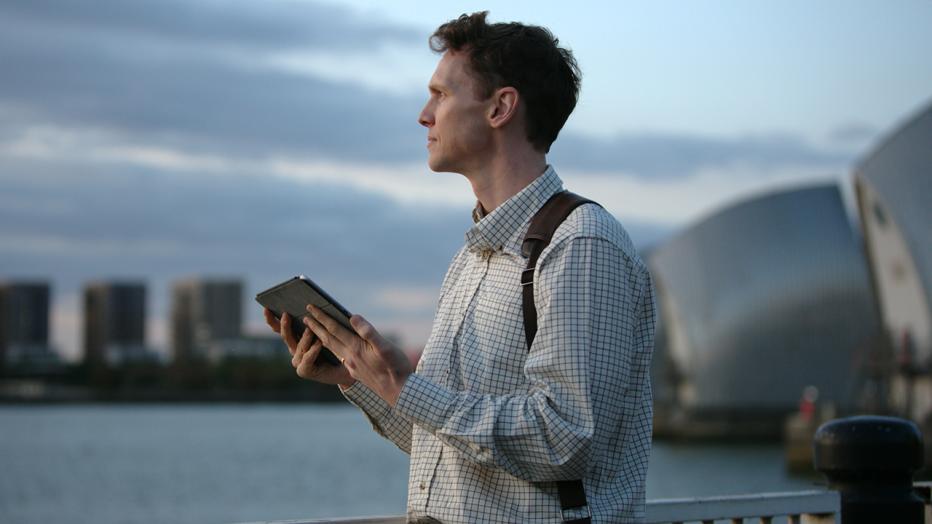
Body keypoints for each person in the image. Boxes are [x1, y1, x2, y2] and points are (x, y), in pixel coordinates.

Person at [265, 11, 655, 523]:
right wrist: (365, 378)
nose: (424, 115)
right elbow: (447, 446)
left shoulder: (579, 245)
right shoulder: (471, 259)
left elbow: (567, 439)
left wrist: (408, 388)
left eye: (442, 94)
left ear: (501, 107)